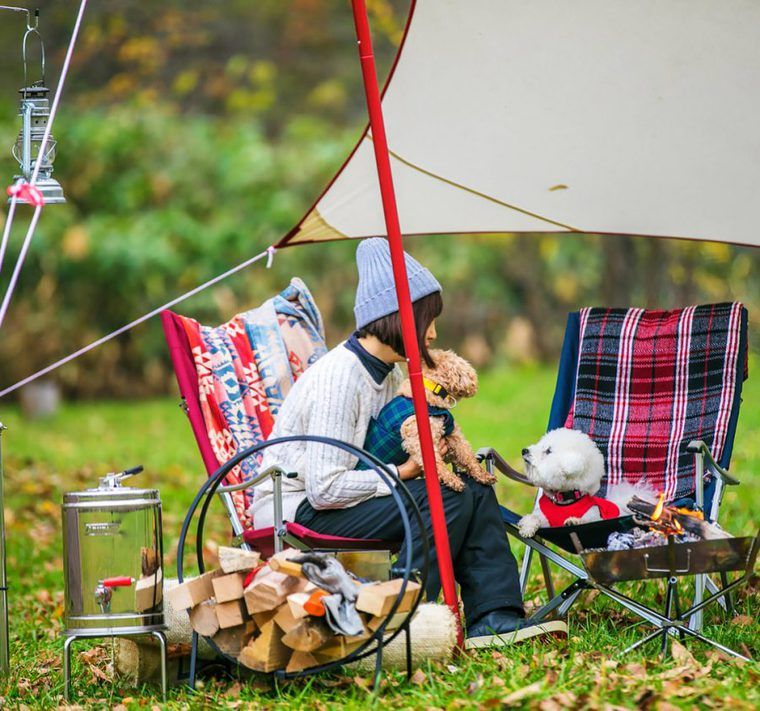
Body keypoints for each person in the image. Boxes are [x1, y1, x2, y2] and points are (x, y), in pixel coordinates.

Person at [252, 238, 566, 646]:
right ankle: (403, 620)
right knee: (443, 498)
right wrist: (404, 472)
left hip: (345, 496)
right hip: (297, 506)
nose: (433, 334)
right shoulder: (342, 378)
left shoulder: (391, 374)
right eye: (426, 321)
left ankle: (494, 616)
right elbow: (324, 488)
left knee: (471, 486)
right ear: (396, 319)